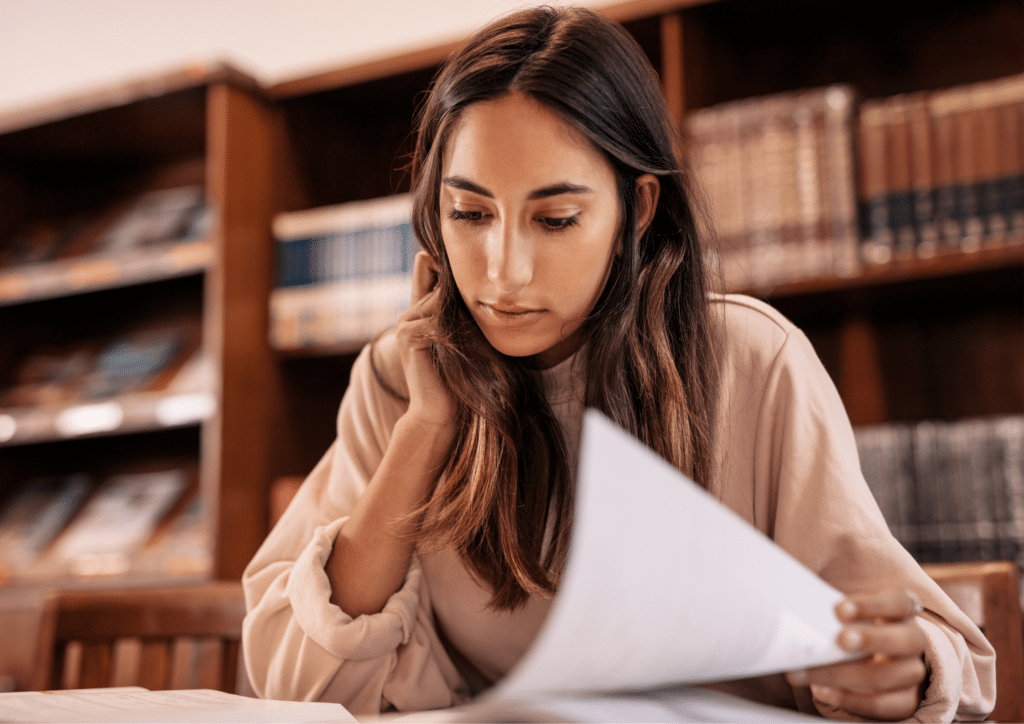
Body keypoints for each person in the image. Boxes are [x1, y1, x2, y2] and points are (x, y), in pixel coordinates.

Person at [242, 6, 995, 721]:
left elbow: (927, 651)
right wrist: (426, 429)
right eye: (469, 214)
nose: (503, 273)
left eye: (556, 219)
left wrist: (899, 671)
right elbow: (302, 680)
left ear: (635, 210)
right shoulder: (400, 378)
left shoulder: (753, 363)